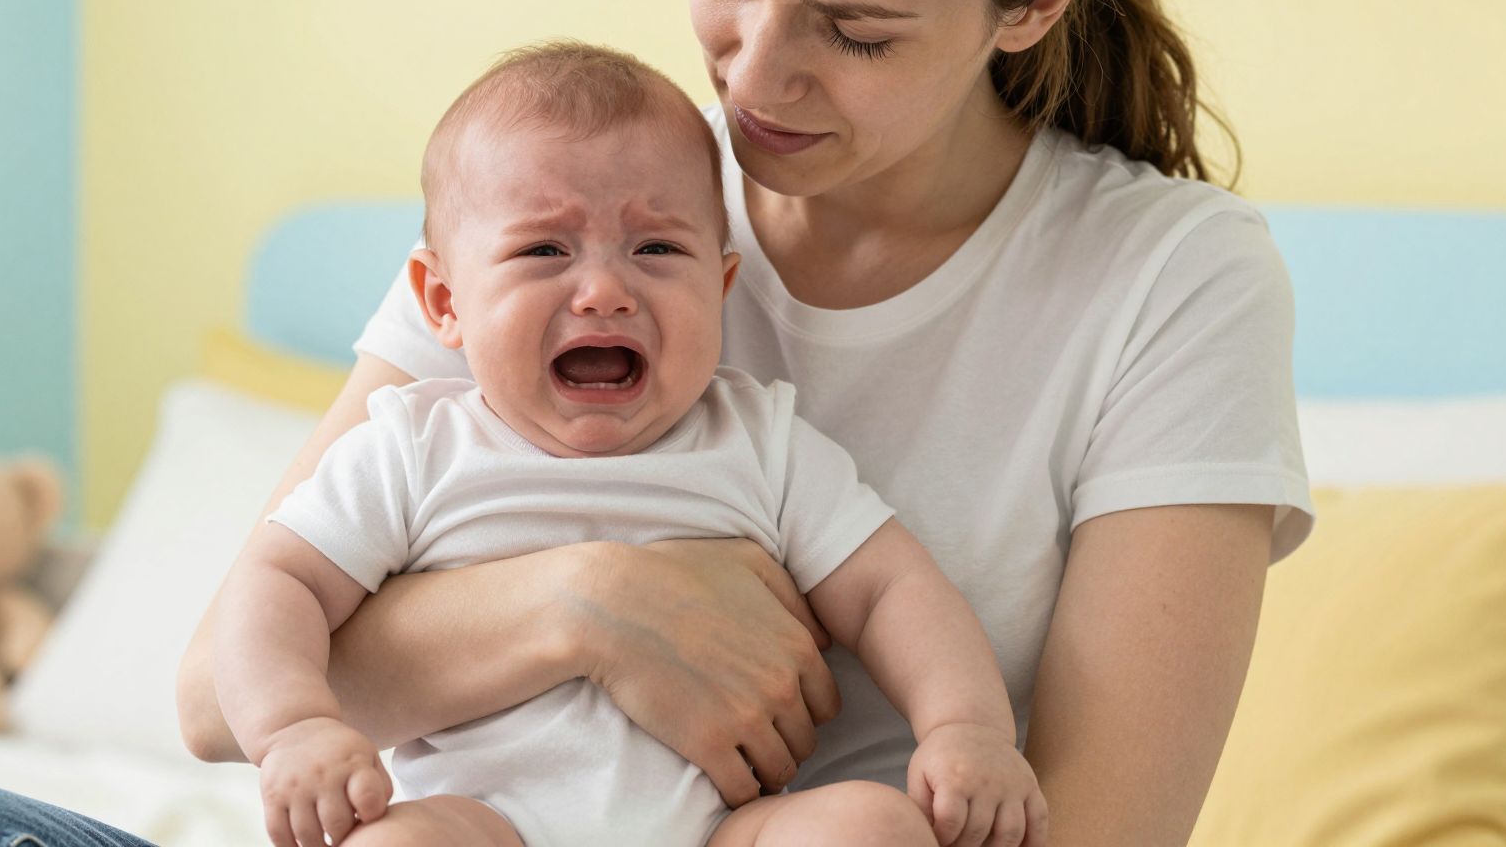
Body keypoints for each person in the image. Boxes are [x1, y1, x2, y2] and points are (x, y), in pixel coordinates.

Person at [0, 0, 1312, 845]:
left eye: (855, 30)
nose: (757, 78)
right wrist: (596, 602)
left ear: (1033, 5)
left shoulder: (1166, 282)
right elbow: (219, 694)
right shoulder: (570, 193)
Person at [215, 42, 1047, 847]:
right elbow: (276, 581)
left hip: (723, 829)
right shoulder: (413, 448)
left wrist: (966, 727)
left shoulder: (757, 439)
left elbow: (890, 589)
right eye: (545, 249)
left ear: (720, 288)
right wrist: (293, 726)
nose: (606, 291)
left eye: (656, 248)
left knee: (869, 826)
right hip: (485, 822)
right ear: (443, 301)